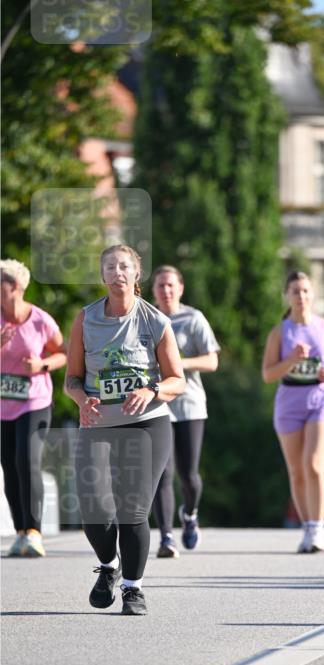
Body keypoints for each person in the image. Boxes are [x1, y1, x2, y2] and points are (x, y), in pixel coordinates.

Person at [65, 245, 185, 615]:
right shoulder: (85, 319)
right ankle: (109, 566)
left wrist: (152, 390)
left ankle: (133, 589)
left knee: (132, 510)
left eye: (124, 267)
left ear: (136, 274)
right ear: (102, 275)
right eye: (110, 267)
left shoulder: (154, 321)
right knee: (94, 509)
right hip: (98, 424)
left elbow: (177, 380)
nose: (117, 272)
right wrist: (82, 400)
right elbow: (71, 379)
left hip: (147, 425)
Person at [262, 271, 324, 553]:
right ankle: (307, 527)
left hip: (321, 398)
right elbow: (268, 374)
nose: (301, 296)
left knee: (315, 464)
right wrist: (292, 360)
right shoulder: (279, 332)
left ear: (313, 294)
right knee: (297, 472)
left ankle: (318, 528)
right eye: (295, 291)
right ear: (287, 295)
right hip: (290, 402)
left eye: (306, 290)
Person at [151, 265, 220, 557]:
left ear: (180, 288)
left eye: (171, 285)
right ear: (153, 291)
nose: (166, 290)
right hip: (158, 404)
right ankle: (166, 537)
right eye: (160, 285)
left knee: (189, 475)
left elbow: (212, 361)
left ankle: (189, 514)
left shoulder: (193, 319)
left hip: (190, 404)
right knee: (162, 473)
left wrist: (178, 364)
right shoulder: (146, 318)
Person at [1, 259, 67, 557]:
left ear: (15, 287)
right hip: (3, 405)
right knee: (9, 466)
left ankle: (34, 532)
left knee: (27, 460)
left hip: (34, 401)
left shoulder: (40, 320)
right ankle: (20, 532)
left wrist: (41, 364)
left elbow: (63, 353)